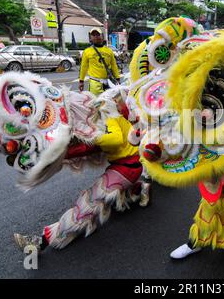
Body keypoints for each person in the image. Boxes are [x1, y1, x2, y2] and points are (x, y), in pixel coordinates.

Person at [14, 86, 149, 252]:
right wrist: (61, 154)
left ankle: (41, 241)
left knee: (89, 201)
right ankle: (140, 188)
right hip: (126, 167)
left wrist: (92, 138)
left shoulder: (109, 116)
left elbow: (113, 140)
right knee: (116, 194)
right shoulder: (107, 117)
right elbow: (90, 148)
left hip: (126, 167)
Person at [79, 27, 121, 96]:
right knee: (96, 103)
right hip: (95, 84)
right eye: (94, 35)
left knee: (109, 103)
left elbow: (114, 66)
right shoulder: (87, 52)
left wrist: (117, 78)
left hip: (108, 83)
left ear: (102, 36)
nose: (96, 37)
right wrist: (81, 81)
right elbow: (84, 67)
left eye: (98, 34)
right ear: (90, 38)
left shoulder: (109, 51)